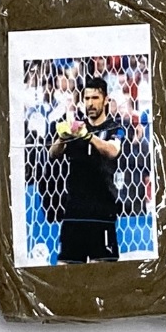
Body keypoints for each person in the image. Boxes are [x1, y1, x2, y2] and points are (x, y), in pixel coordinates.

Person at [48, 77, 125, 263]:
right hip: (74, 212)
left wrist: (88, 136)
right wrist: (62, 137)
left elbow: (112, 150)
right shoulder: (76, 127)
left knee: (103, 270)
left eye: (95, 98)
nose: (90, 103)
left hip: (102, 211)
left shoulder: (115, 127)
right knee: (67, 268)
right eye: (87, 98)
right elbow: (53, 154)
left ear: (106, 100)